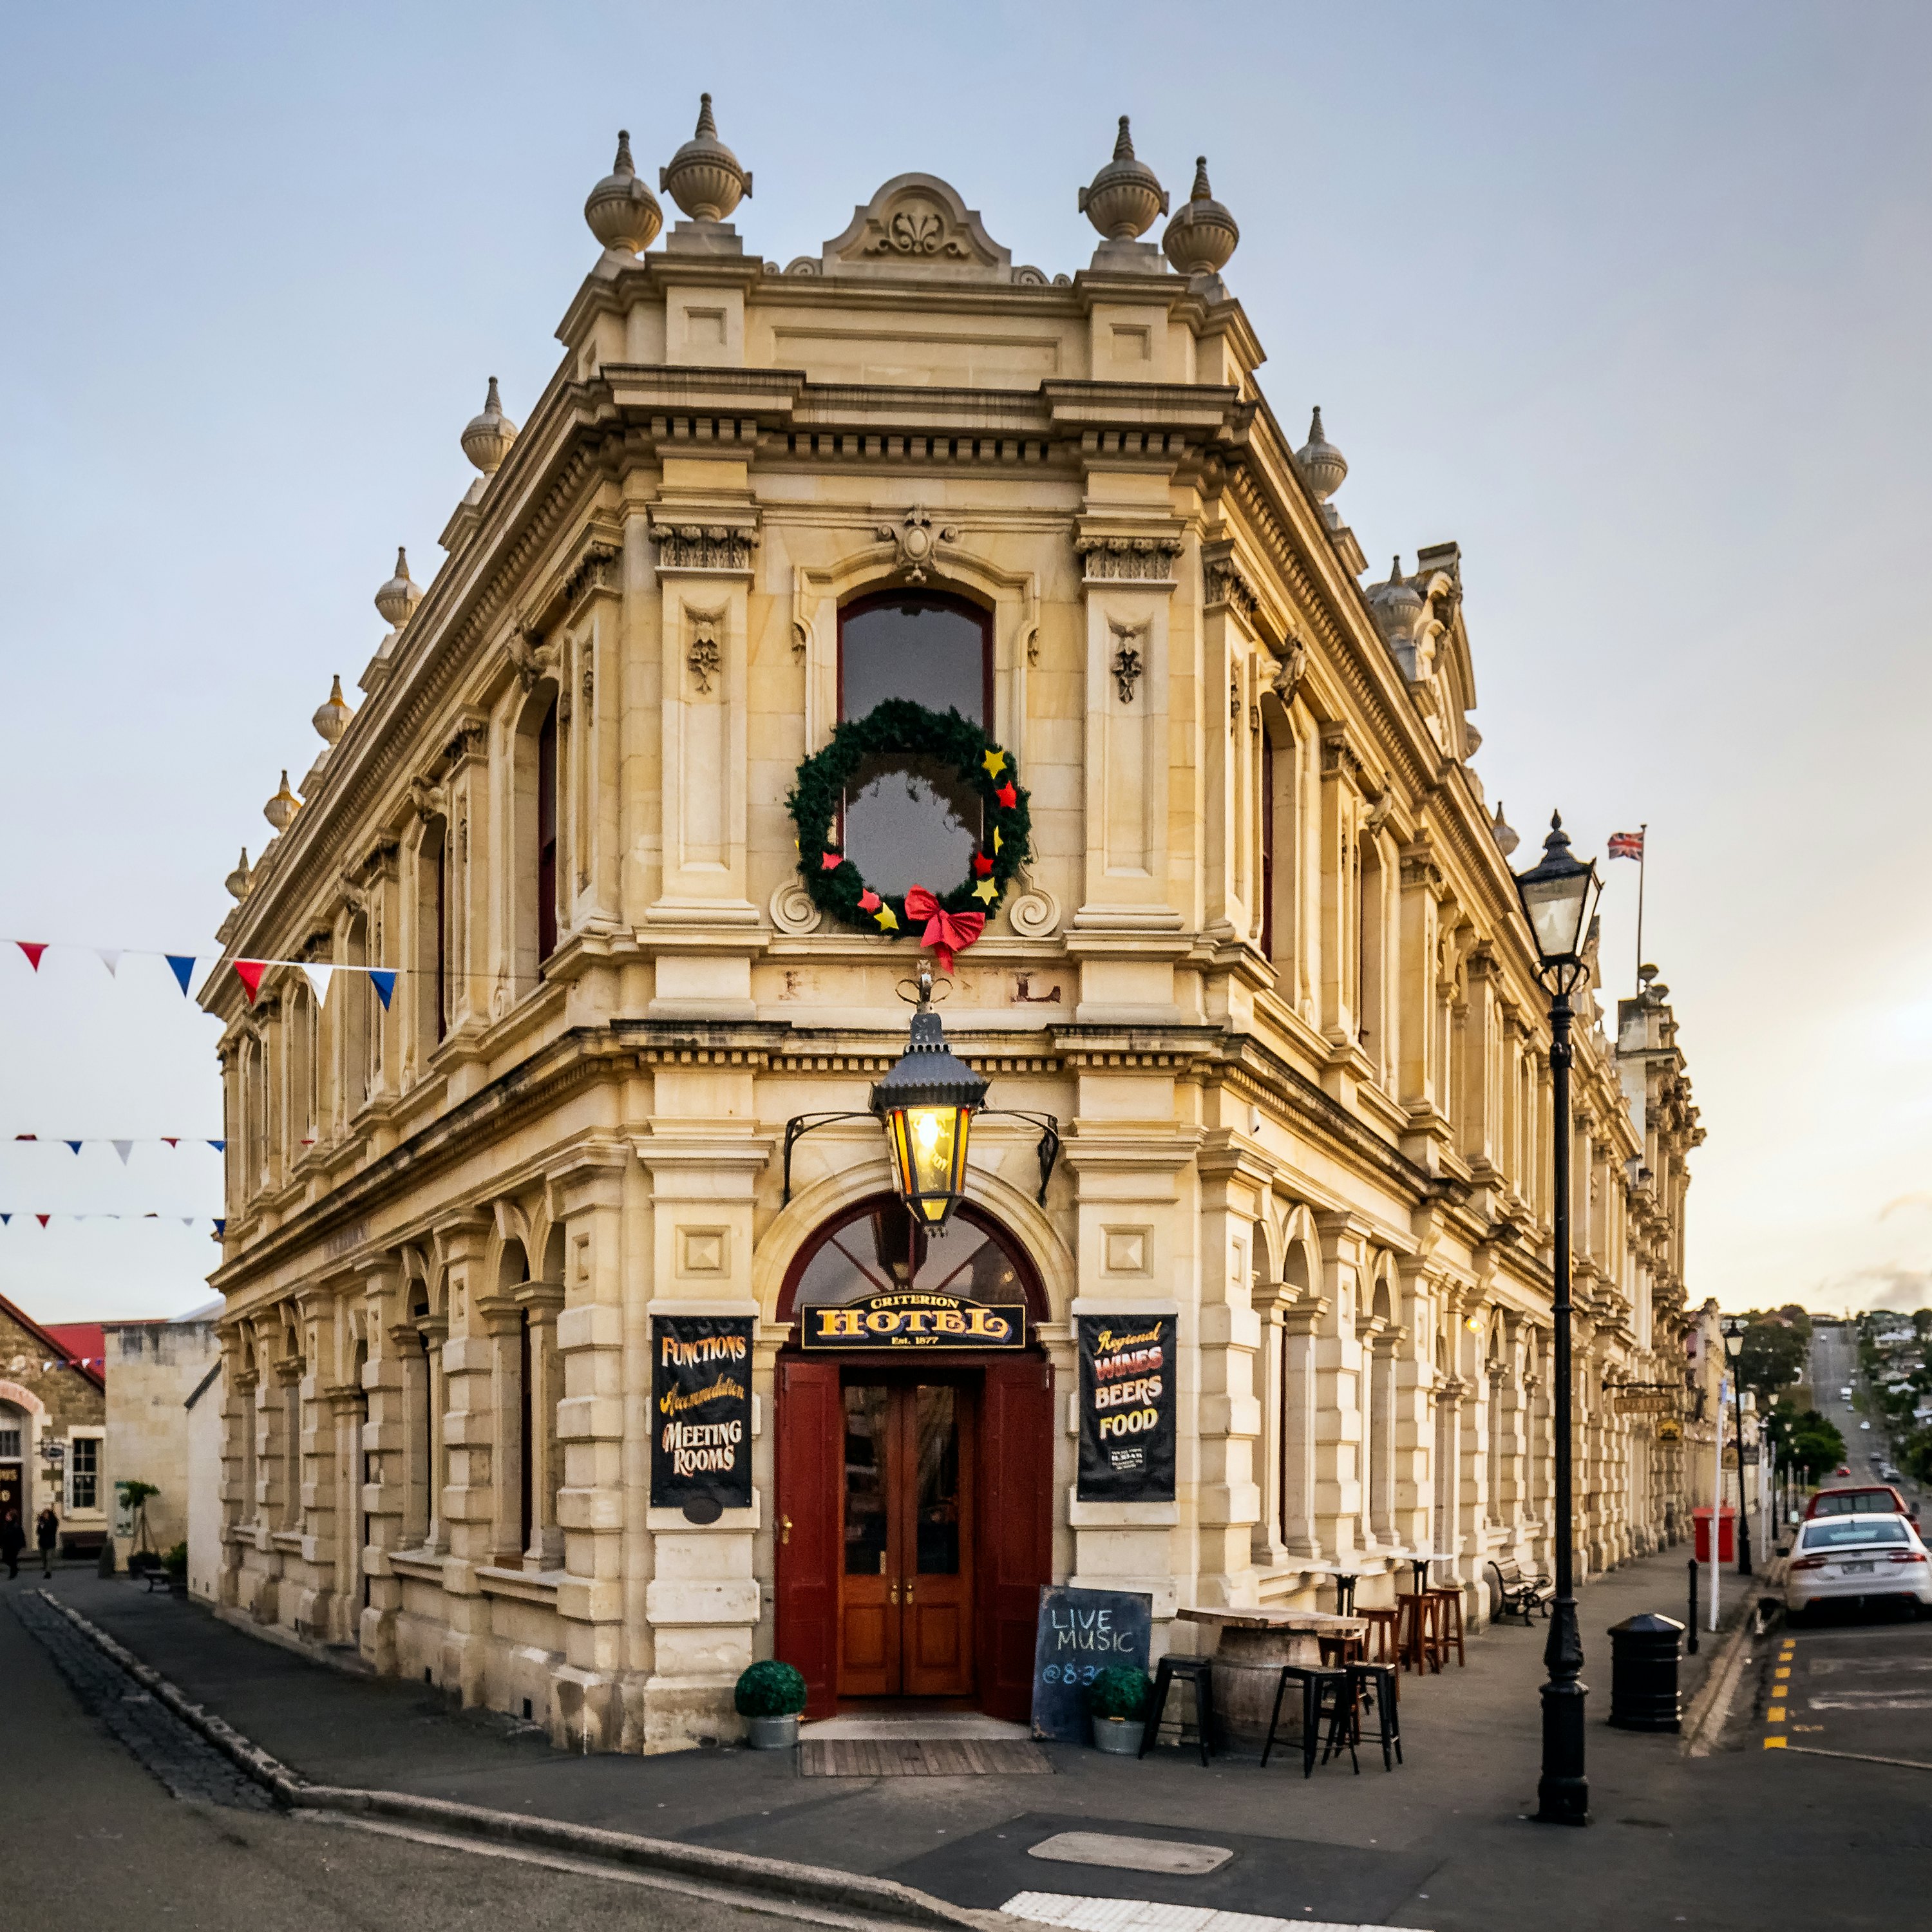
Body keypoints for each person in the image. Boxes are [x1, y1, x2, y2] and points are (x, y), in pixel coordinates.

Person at [0, 1508, 24, 1580]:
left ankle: (13, 1573)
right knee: (5, 1559)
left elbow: (20, 1536)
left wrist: (19, 1545)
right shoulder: (6, 1524)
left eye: (8, 1515)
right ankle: (15, 1569)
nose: (6, 1516)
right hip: (7, 1545)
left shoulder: (16, 1526)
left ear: (11, 1517)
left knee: (12, 1559)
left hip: (13, 1546)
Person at [36, 1506, 59, 1577]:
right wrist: (41, 1524)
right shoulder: (42, 1522)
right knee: (44, 1558)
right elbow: (39, 1532)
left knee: (49, 1557)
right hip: (42, 1542)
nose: (45, 1515)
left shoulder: (53, 1521)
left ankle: (48, 1572)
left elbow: (50, 1530)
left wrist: (43, 1525)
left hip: (50, 1542)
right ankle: (46, 1568)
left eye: (46, 1514)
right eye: (44, 1514)